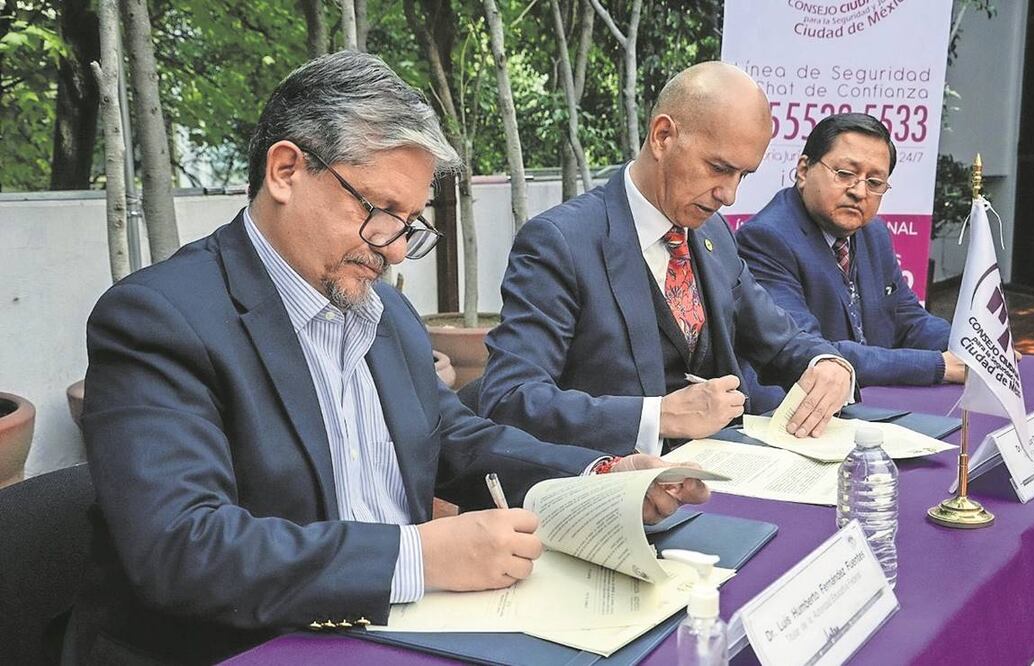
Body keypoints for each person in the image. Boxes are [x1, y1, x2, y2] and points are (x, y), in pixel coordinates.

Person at [67, 51, 707, 665]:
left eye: (409, 223)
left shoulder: (382, 312)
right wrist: (419, 558)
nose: (395, 251)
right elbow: (185, 548)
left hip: (403, 627)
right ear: (286, 170)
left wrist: (599, 479)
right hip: (243, 645)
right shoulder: (160, 319)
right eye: (380, 212)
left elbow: (454, 441)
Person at [477, 62, 855, 457]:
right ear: (662, 136)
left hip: (722, 475)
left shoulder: (713, 235)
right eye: (719, 168)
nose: (729, 195)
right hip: (613, 492)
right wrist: (660, 417)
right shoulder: (560, 242)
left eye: (743, 175)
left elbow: (779, 339)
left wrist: (827, 364)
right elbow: (510, 398)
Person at [735, 113, 959, 410]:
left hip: (870, 404)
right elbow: (814, 351)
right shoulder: (766, 238)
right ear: (803, 170)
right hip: (797, 412)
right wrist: (938, 365)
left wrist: (967, 345)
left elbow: (908, 319)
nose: (858, 191)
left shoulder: (872, 232)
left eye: (875, 181)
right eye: (844, 174)